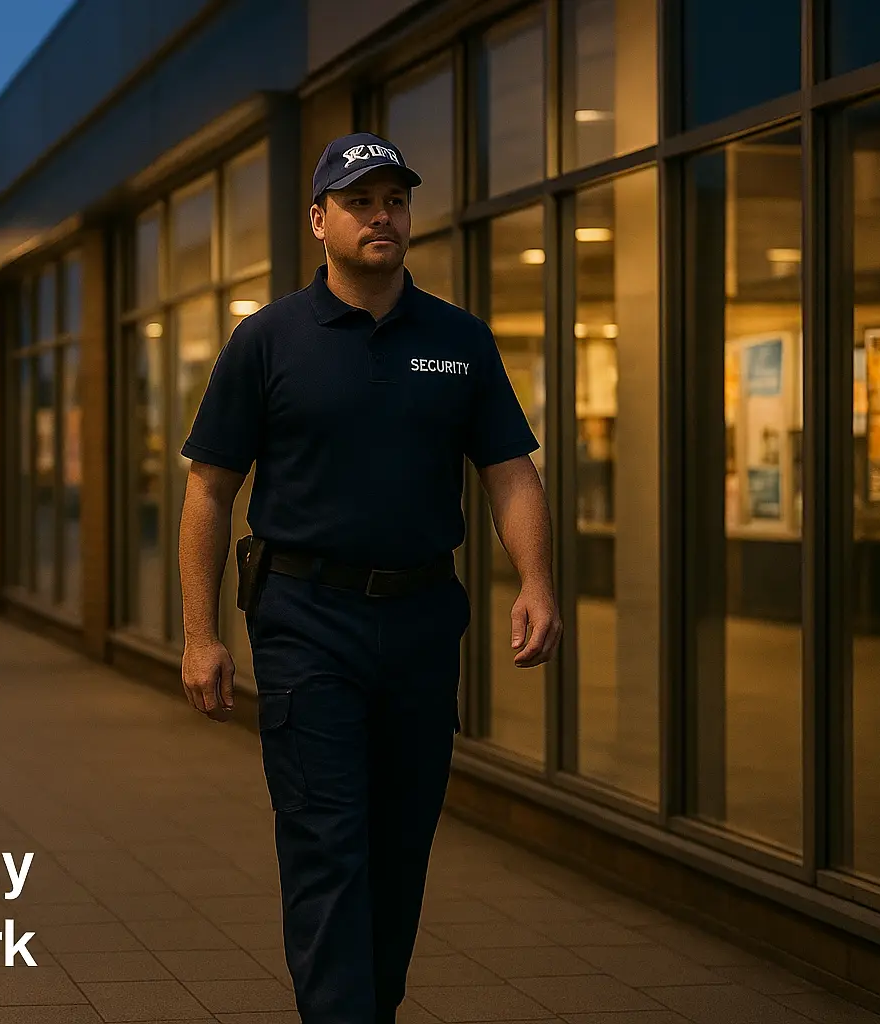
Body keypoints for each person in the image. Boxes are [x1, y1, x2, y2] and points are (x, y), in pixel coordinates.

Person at [176, 132, 562, 1023]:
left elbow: (510, 473)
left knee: (398, 849)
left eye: (394, 200)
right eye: (360, 202)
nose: (381, 216)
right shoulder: (268, 341)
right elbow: (209, 492)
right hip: (305, 620)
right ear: (320, 221)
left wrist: (537, 580)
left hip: (423, 622)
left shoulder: (458, 340)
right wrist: (201, 636)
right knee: (327, 844)